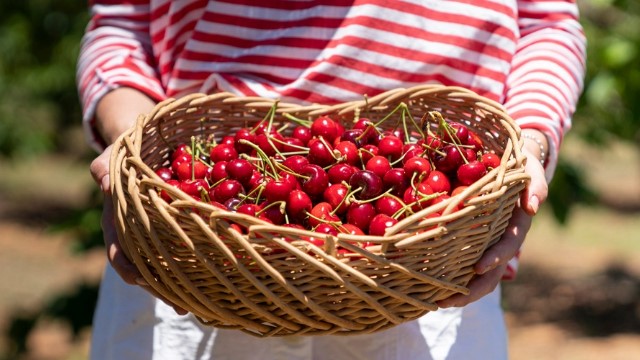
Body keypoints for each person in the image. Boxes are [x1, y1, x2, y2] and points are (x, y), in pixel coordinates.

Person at [79, 1, 586, 359]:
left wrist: (527, 151)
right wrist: (131, 147)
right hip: (197, 257)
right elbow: (121, 24)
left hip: (434, 267)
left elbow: (548, 23)